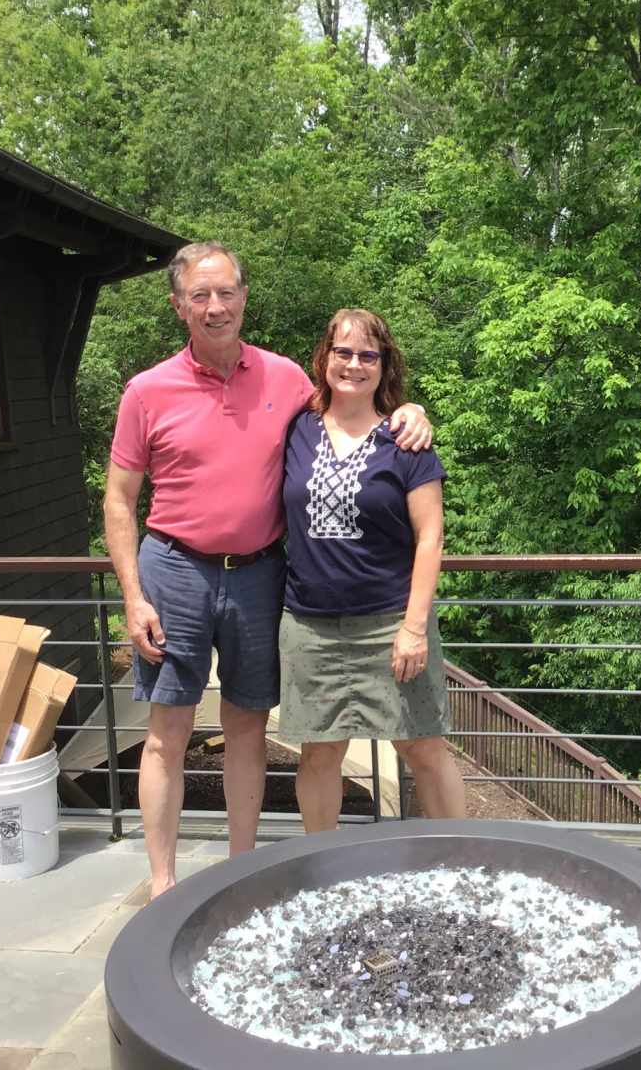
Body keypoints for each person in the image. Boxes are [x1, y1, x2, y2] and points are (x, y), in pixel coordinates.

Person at [103, 243, 431, 899]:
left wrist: (410, 411)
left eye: (226, 292)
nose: (215, 306)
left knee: (248, 725)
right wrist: (133, 596)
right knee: (168, 730)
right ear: (178, 306)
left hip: (259, 573)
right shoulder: (147, 391)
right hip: (174, 570)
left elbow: (352, 404)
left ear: (245, 296)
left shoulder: (283, 378)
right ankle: (164, 883)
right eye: (200, 295)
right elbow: (117, 497)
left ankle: (241, 871)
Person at [279, 309, 465, 830]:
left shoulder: (406, 441)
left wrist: (413, 628)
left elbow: (431, 537)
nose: (354, 364)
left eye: (368, 355)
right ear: (324, 358)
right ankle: (324, 865)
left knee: (422, 746)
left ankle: (463, 857)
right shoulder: (295, 429)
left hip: (390, 623)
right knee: (319, 754)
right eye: (343, 352)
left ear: (385, 366)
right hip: (310, 625)